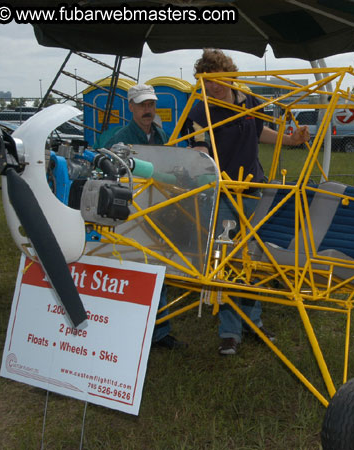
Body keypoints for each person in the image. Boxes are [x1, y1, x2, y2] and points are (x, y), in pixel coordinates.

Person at [184, 49, 310, 355]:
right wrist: (202, 156)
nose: (214, 85)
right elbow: (200, 151)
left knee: (255, 257)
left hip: (255, 192)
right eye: (207, 80)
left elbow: (259, 132)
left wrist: (290, 140)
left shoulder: (248, 100)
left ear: (229, 74)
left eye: (218, 78)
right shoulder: (200, 111)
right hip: (225, 199)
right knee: (227, 258)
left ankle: (254, 322)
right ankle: (230, 331)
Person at [102, 84, 186, 350]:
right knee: (132, 267)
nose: (147, 110)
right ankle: (129, 328)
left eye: (150, 105)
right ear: (131, 107)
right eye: (142, 105)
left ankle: (158, 331)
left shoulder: (162, 135)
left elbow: (176, 166)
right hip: (129, 212)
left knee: (158, 266)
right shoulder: (119, 137)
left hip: (159, 209)